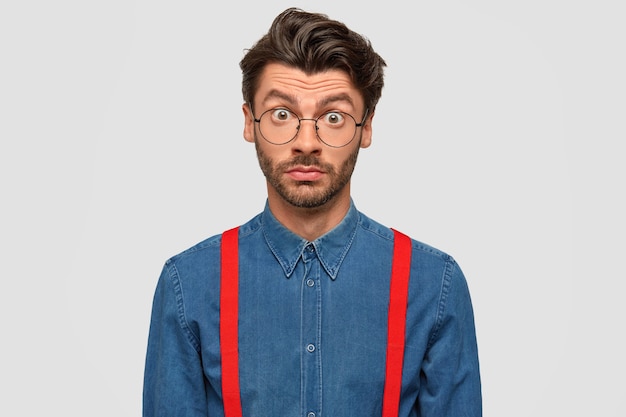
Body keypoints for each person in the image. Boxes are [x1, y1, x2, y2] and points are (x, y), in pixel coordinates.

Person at [143, 7, 481, 417]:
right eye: (282, 114)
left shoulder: (434, 285)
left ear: (367, 126)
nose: (307, 142)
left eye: (333, 117)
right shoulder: (189, 284)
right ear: (249, 122)